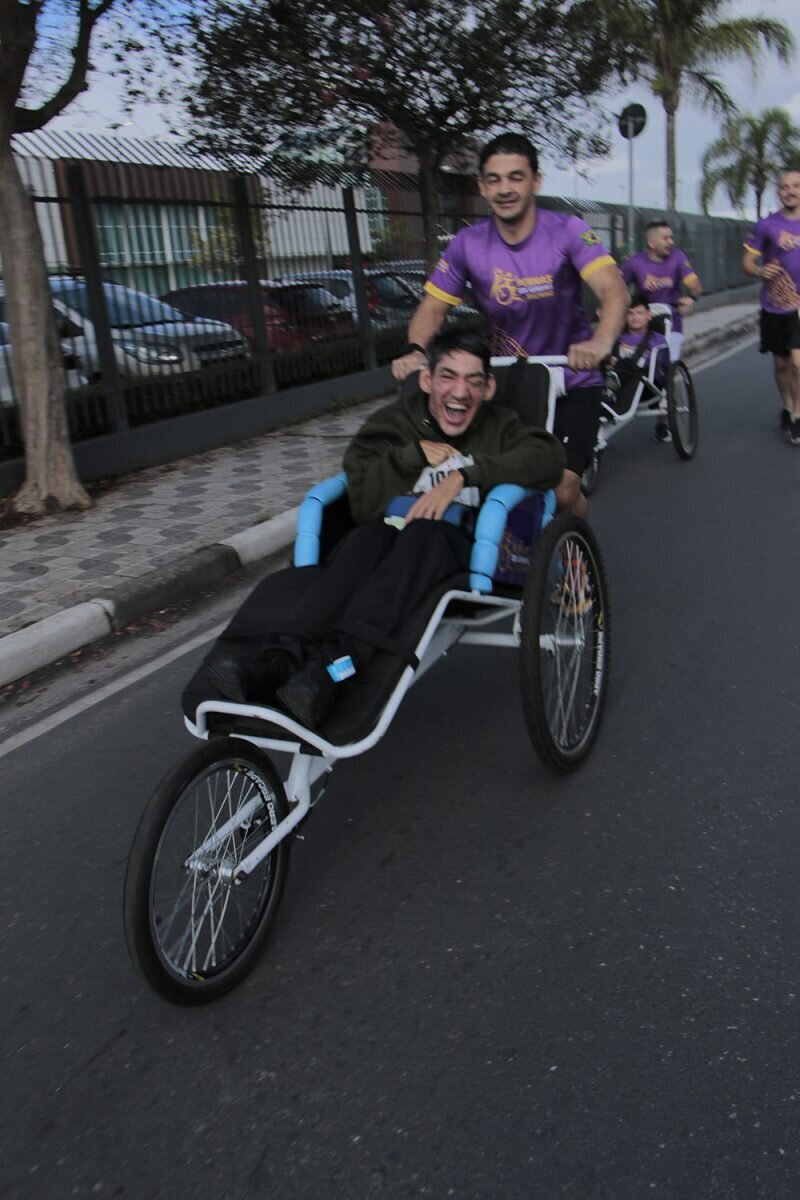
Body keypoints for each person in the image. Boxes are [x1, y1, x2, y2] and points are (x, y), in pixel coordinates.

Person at [194, 326, 565, 729]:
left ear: (488, 388)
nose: (460, 392)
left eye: (473, 381)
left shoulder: (502, 425)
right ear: (427, 379)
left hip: (460, 549)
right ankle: (278, 662)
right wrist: (411, 457)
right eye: (448, 376)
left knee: (422, 535)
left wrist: (465, 476)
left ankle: (334, 670)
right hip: (389, 542)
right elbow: (361, 499)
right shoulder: (393, 424)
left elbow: (548, 459)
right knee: (365, 539)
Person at [391, 131, 628, 519]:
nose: (505, 189)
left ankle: (576, 549)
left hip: (572, 381)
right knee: (488, 483)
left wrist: (600, 343)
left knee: (562, 488)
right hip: (509, 384)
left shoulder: (568, 230)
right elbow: (432, 309)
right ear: (482, 187)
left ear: (536, 181)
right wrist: (416, 350)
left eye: (516, 177)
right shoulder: (467, 244)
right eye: (494, 179)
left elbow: (613, 289)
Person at [742, 167, 800, 444]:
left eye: (796, 186)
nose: (790, 191)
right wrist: (758, 270)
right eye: (785, 187)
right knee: (781, 364)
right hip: (775, 305)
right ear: (778, 192)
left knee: (798, 363)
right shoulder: (767, 225)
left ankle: (798, 415)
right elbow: (747, 262)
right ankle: (787, 407)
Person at [621, 220, 702, 360]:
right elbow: (616, 288)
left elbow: (695, 286)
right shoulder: (635, 262)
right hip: (643, 325)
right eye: (665, 238)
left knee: (668, 363)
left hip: (672, 324)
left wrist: (691, 298)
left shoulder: (678, 257)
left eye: (671, 238)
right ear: (652, 243)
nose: (671, 242)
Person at [604, 293, 671, 440]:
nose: (634, 317)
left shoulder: (657, 339)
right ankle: (608, 390)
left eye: (639, 313)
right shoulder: (616, 339)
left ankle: (612, 387)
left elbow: (663, 364)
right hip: (617, 382)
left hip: (647, 385)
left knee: (626, 364)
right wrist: (609, 360)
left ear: (649, 315)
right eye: (630, 313)